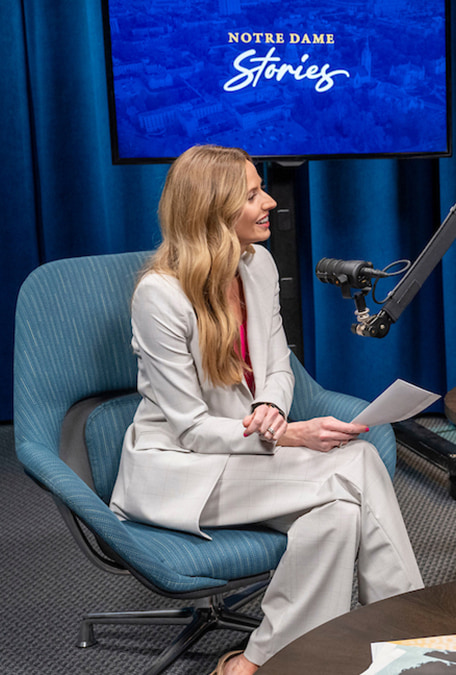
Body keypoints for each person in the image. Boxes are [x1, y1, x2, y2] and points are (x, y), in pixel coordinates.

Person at [108, 145, 424, 675]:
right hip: (185, 468)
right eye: (253, 194)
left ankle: (261, 662)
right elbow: (190, 430)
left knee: (337, 516)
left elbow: (279, 365)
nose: (270, 202)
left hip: (246, 453)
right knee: (359, 462)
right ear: (213, 210)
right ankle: (411, 637)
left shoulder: (257, 265)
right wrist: (288, 435)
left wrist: (272, 408)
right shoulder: (159, 296)